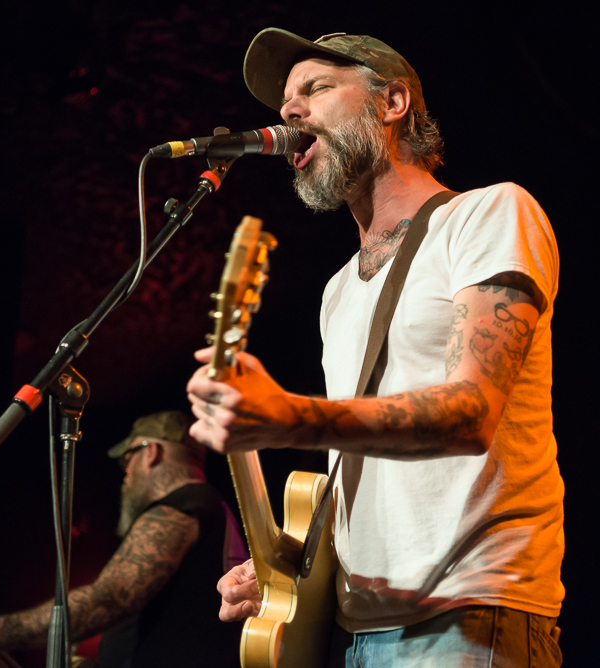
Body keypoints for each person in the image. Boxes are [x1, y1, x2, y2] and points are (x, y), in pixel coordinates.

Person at [186, 29, 564, 667]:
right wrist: (285, 568)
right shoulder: (338, 290)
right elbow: (363, 465)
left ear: (393, 103)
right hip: (361, 630)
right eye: (285, 106)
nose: (291, 113)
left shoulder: (487, 215)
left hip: (468, 618)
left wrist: (286, 416)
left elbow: (469, 414)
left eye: (317, 89)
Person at [0, 410, 247, 667]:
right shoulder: (214, 509)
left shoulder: (181, 508)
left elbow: (110, 597)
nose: (125, 477)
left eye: (127, 460)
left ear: (150, 452)